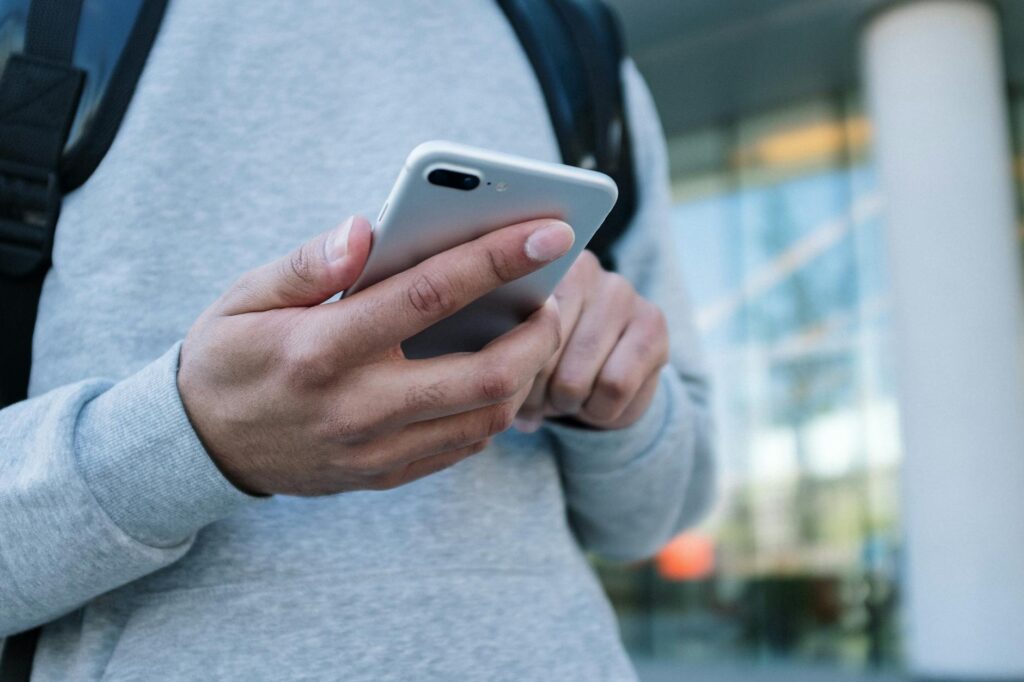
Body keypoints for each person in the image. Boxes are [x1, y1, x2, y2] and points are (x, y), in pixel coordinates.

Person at [0, 1, 714, 680]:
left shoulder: (570, 39)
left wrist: (615, 394)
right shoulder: (38, 23)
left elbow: (658, 516)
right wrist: (190, 442)